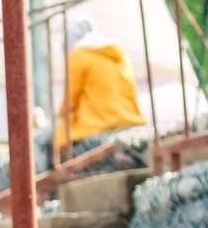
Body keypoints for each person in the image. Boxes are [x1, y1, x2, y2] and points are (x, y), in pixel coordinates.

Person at [58, 18, 147, 152]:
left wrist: (60, 115)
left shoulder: (79, 55)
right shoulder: (120, 54)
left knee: (54, 141)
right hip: (130, 119)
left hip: (98, 124)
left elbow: (70, 101)